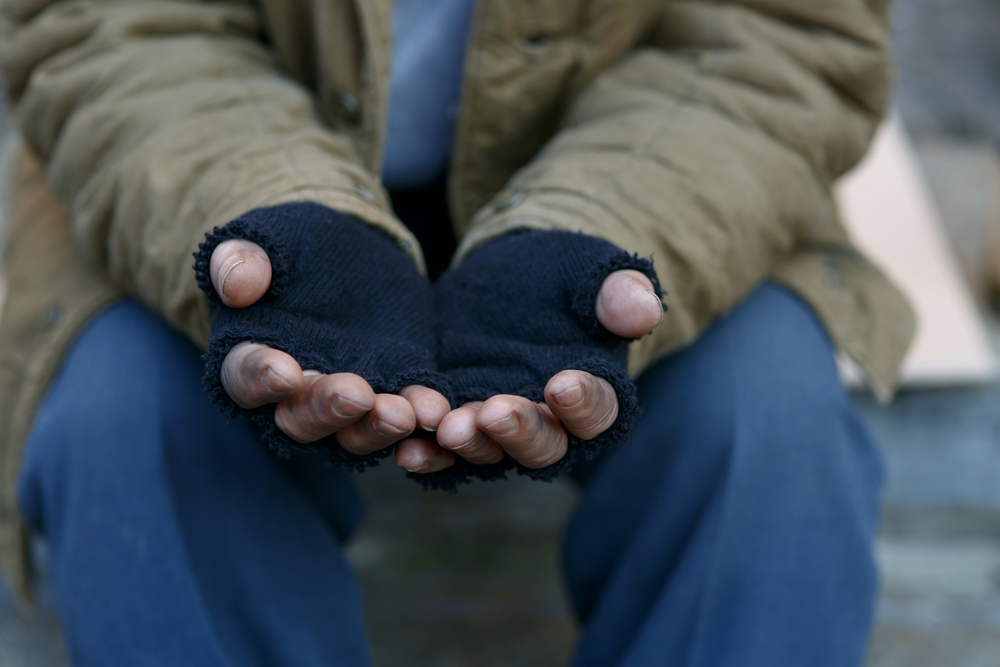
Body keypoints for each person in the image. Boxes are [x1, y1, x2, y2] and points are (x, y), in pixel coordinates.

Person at [0, 0, 915, 665]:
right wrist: (273, 211)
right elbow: (106, 23)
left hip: (669, 179)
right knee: (124, 418)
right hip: (189, 166)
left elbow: (783, 33)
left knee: (767, 422)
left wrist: (583, 226)